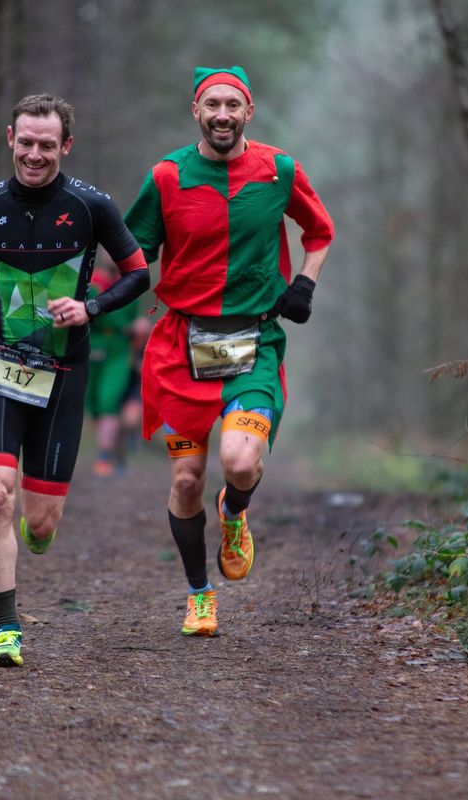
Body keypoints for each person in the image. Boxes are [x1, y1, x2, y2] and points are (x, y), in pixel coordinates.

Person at [0, 94, 149, 666]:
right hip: (1, 369)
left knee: (39, 519)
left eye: (47, 145)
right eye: (26, 142)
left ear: (65, 146)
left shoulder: (90, 205)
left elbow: (137, 275)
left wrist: (92, 308)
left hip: (64, 374)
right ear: (10, 138)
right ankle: (6, 629)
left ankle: (40, 529)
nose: (34, 154)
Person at [124, 67, 334, 637]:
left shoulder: (278, 169)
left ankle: (236, 512)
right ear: (196, 109)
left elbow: (320, 231)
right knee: (187, 480)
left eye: (232, 105)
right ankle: (199, 596)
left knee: (240, 463)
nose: (222, 114)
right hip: (181, 348)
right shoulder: (167, 176)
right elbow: (133, 252)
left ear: (249, 112)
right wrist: (93, 301)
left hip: (254, 343)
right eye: (211, 104)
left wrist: (306, 283)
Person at [84, 257, 147, 477]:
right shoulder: (89, 284)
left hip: (119, 351)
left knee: (109, 399)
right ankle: (111, 449)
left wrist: (138, 328)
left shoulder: (131, 284)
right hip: (92, 347)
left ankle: (104, 455)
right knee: (94, 404)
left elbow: (134, 320)